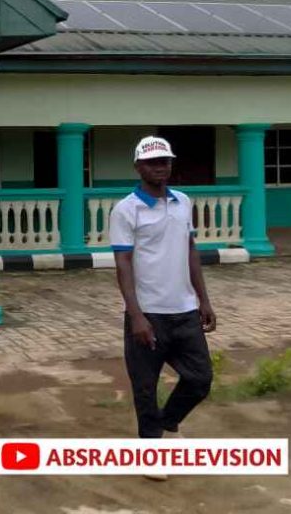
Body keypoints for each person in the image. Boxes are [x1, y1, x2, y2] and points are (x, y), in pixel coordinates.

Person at [109, 136, 215, 465]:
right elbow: (123, 264)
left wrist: (204, 300)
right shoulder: (126, 209)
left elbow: (190, 249)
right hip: (148, 315)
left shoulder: (183, 201)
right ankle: (151, 452)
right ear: (138, 167)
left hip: (184, 311)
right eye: (153, 162)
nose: (160, 167)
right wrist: (136, 315)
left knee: (200, 379)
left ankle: (167, 422)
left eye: (165, 161)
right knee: (144, 389)